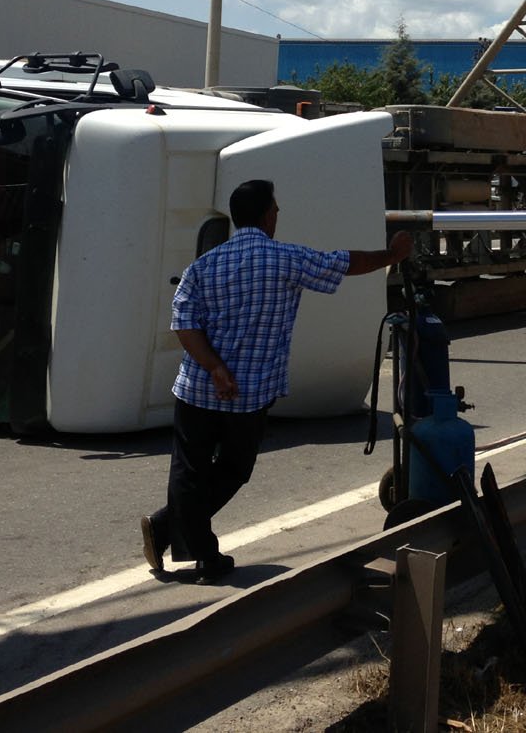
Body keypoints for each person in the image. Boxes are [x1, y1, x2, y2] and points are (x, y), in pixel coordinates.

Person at [141, 179, 412, 579]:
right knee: (234, 469)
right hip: (248, 394)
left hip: (197, 387)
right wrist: (393, 254)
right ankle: (193, 547)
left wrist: (214, 368)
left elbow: (184, 325)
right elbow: (345, 263)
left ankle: (176, 532)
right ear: (268, 216)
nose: (278, 217)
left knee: (189, 469)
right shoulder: (285, 259)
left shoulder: (203, 266)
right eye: (277, 211)